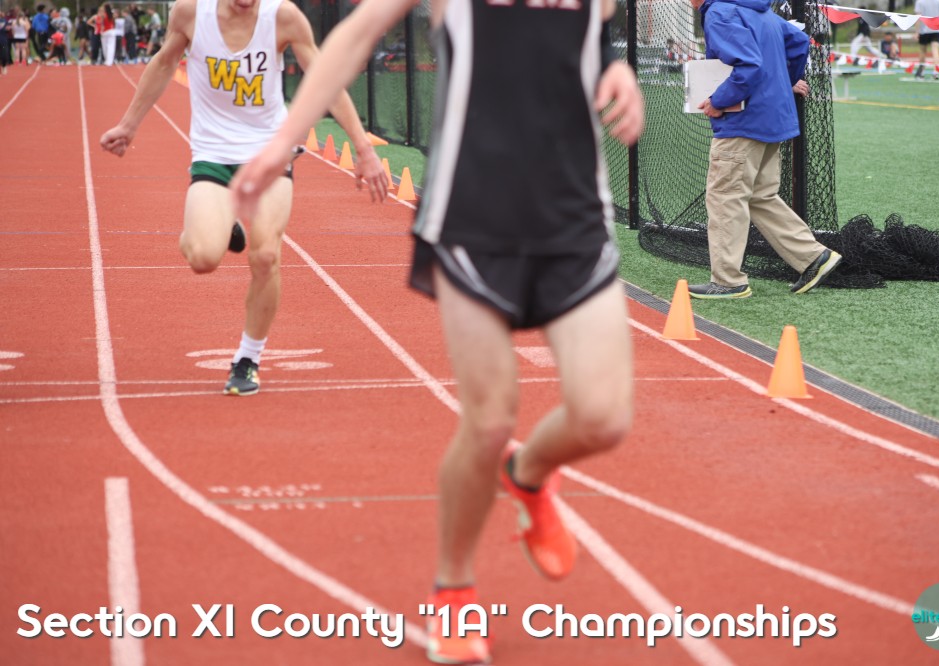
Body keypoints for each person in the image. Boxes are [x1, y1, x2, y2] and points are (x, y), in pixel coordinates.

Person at [232, 0, 643, 663]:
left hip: (574, 221)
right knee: (488, 421)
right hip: (471, 221)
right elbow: (357, 34)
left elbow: (590, 35)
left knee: (604, 417)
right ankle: (454, 588)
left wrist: (615, 69)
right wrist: (281, 143)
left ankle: (528, 473)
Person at [99, 0, 388, 395]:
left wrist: (363, 148)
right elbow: (164, 63)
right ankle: (216, 225)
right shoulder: (190, 14)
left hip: (270, 152)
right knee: (203, 258)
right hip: (214, 153)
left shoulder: (283, 17)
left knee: (266, 254)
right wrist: (128, 125)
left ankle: (247, 359)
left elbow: (325, 80)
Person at [686, 0, 841, 300]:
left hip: (743, 122)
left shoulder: (719, 12)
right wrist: (783, 82)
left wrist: (718, 101)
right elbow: (798, 42)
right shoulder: (759, 10)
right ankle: (813, 257)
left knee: (725, 197)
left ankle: (728, 281)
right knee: (760, 195)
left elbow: (748, 66)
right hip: (773, 119)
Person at [914, 0, 939, 80]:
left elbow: (918, 17)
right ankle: (936, 71)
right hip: (936, 29)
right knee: (935, 50)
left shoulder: (920, 2)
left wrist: (916, 32)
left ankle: (921, 72)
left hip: (924, 30)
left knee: (922, 51)